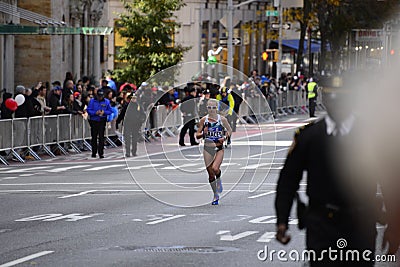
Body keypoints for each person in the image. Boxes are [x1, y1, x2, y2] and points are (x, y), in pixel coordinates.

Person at [274, 75, 387, 266]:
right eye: (331, 100)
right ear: (324, 101)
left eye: (342, 100)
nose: (337, 106)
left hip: (360, 223)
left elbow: (390, 179)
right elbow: (288, 179)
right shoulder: (310, 136)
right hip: (322, 224)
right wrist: (282, 220)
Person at [196, 99, 232, 205]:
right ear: (206, 108)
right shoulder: (204, 120)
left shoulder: (222, 119)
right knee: (210, 174)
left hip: (219, 147)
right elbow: (197, 135)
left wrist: (225, 137)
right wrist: (203, 133)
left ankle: (219, 178)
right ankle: (215, 194)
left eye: (213, 108)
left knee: (215, 168)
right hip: (207, 148)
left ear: (217, 108)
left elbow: (229, 130)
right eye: (209, 108)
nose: (211, 110)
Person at [87, 89, 112, 159]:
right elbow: (89, 110)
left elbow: (110, 111)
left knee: (101, 137)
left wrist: (104, 112)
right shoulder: (92, 101)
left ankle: (101, 153)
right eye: (99, 96)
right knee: (94, 137)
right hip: (94, 120)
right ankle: (93, 152)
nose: (100, 97)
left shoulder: (106, 101)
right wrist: (95, 113)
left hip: (102, 120)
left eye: (101, 96)